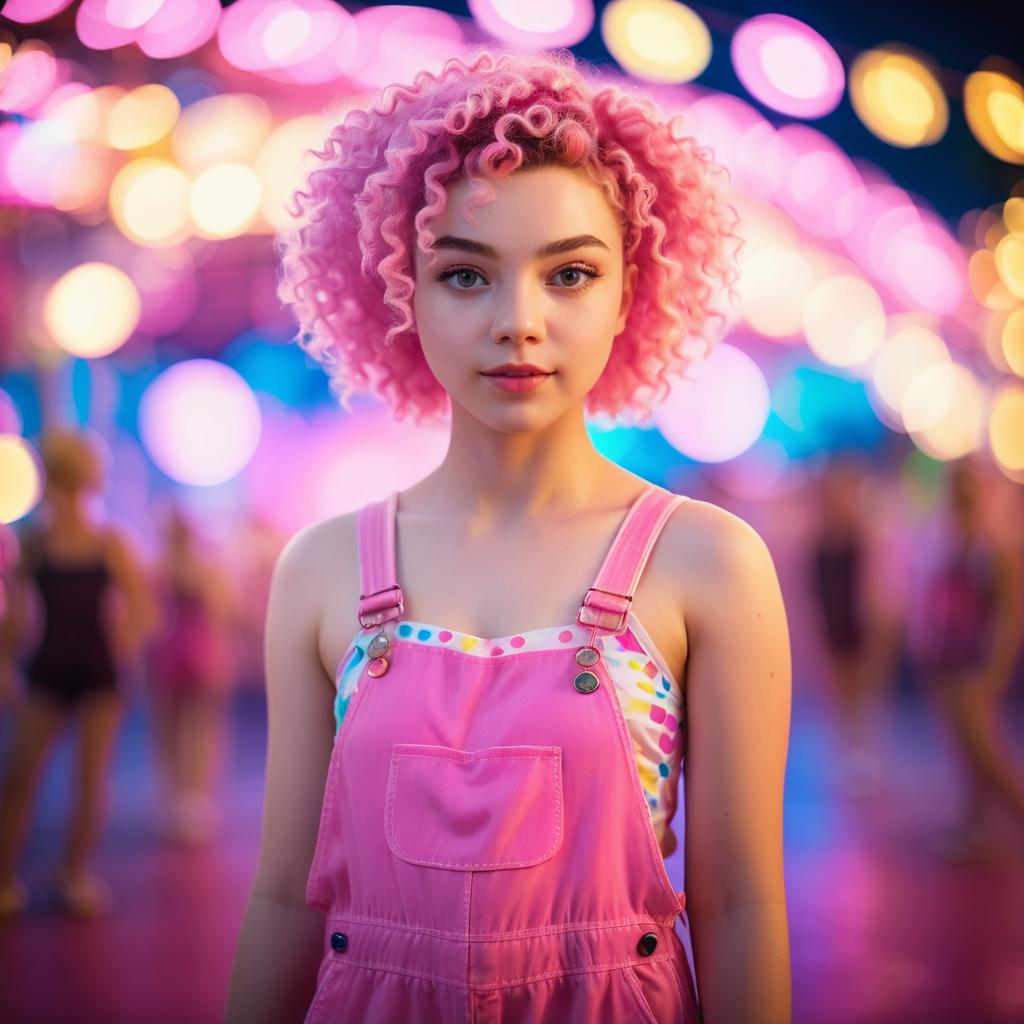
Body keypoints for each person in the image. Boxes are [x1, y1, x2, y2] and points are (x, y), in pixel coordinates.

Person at [225, 48, 792, 1024]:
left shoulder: (706, 560)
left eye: (569, 272)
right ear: (397, 291)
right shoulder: (320, 570)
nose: (518, 322)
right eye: (463, 274)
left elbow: (740, 905)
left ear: (634, 288)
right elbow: (285, 896)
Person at [0, 427, 157, 917]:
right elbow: (16, 614)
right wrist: (6, 664)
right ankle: (5, 877)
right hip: (47, 667)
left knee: (89, 780)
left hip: (96, 670)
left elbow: (142, 610)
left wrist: (124, 652)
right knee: (22, 775)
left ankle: (74, 874)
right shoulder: (33, 543)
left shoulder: (109, 543)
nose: (64, 494)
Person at [914, 459, 1024, 861]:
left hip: (974, 661)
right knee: (965, 750)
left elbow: (1009, 615)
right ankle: (974, 827)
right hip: (948, 656)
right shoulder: (947, 539)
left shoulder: (990, 545)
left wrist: (996, 666)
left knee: (983, 749)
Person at [148, 503, 236, 845]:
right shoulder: (199, 567)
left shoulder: (162, 566)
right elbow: (224, 609)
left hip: (180, 650)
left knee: (181, 728)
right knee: (195, 727)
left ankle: (185, 797)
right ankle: (189, 798)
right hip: (194, 650)